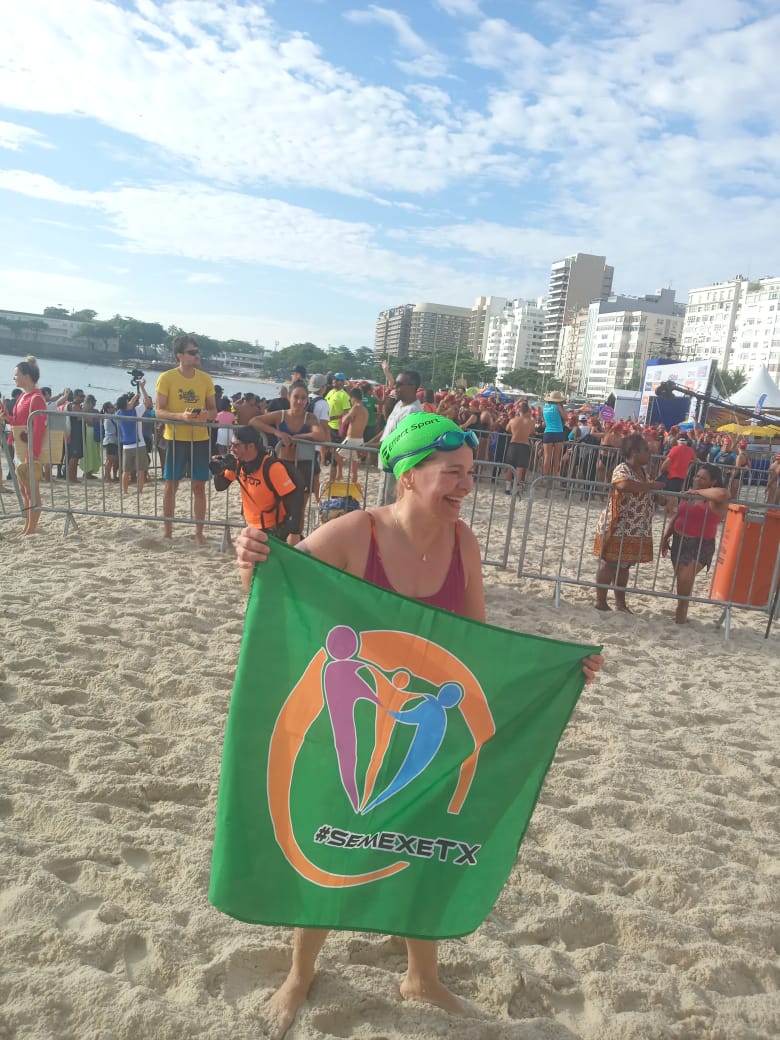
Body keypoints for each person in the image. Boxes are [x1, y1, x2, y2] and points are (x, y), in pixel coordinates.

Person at [233, 411, 604, 1038]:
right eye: (452, 473)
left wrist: (563, 672)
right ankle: (300, 973)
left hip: (427, 724)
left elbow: (479, 645)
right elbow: (276, 590)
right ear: (408, 475)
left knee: (419, 845)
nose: (467, 486)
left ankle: (421, 977)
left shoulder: (463, 544)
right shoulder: (355, 533)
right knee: (334, 835)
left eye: (469, 473)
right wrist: (249, 559)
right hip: (351, 720)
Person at [154, 336, 217, 543]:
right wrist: (181, 417)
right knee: (171, 485)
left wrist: (204, 415)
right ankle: (168, 531)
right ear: (179, 355)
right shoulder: (167, 378)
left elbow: (214, 411)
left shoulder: (205, 379)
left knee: (199, 487)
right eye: (192, 352)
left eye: (197, 352)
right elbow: (158, 411)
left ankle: (199, 533)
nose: (197, 356)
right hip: (175, 438)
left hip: (200, 439)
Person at [593, 434, 665, 612]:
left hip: (634, 529)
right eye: (646, 450)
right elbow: (624, 485)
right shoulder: (622, 468)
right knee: (609, 564)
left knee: (624, 567)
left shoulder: (643, 473)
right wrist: (651, 487)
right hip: (617, 526)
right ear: (634, 452)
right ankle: (601, 601)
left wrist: (659, 496)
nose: (649, 453)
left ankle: (620, 603)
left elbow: (649, 492)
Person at [249, 380, 326, 540]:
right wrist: (277, 433)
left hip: (303, 466)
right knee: (279, 506)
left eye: (303, 398)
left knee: (300, 509)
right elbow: (254, 421)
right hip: (282, 466)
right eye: (296, 397)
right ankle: (280, 540)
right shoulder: (281, 415)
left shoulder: (310, 418)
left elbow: (319, 435)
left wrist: (298, 437)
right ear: (289, 397)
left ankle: (295, 543)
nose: (299, 401)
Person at [662, 464, 729, 624]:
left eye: (703, 478)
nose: (697, 480)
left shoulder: (713, 499)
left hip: (700, 544)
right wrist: (666, 536)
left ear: (713, 481)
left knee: (684, 579)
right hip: (679, 540)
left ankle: (680, 615)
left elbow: (723, 493)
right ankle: (681, 614)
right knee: (682, 580)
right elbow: (678, 515)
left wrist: (697, 492)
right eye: (697, 476)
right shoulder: (689, 495)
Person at [211, 425, 303, 540]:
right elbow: (220, 486)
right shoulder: (238, 463)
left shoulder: (272, 468)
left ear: (250, 446)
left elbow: (294, 500)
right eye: (231, 445)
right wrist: (220, 470)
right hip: (252, 526)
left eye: (236, 445)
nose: (231, 449)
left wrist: (294, 532)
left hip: (275, 528)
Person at [0, 356, 47, 534]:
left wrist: (32, 453)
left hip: (29, 451)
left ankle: (32, 528)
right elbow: (18, 422)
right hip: (19, 448)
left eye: (16, 374)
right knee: (24, 490)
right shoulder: (22, 396)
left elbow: (38, 429)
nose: (14, 377)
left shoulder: (37, 398)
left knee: (31, 491)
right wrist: (6, 416)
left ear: (26, 376)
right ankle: (27, 526)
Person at [365, 370, 422, 504]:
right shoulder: (399, 404)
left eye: (399, 384)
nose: (395, 387)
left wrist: (369, 447)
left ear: (412, 387)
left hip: (396, 463)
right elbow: (388, 428)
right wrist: (370, 442)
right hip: (387, 461)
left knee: (389, 501)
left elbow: (397, 440)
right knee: (382, 499)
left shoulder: (413, 411)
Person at [116, 381, 154, 495]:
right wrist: (142, 388)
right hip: (139, 444)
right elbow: (147, 402)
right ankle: (139, 491)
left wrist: (134, 398)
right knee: (141, 470)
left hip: (126, 446)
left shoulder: (118, 413)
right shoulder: (136, 412)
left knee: (126, 471)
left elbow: (128, 406)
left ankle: (125, 491)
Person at [658, 432, 696, 516]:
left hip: (671, 474)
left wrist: (662, 470)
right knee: (672, 495)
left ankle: (670, 513)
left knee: (669, 495)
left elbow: (667, 461)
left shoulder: (675, 449)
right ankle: (668, 512)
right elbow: (696, 460)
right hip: (681, 476)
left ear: (678, 440)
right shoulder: (690, 450)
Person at [335, 386, 368, 483]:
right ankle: (353, 485)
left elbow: (344, 421)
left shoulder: (355, 407)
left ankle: (339, 474)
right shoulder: (365, 411)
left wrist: (346, 414)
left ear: (353, 398)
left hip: (351, 438)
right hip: (360, 439)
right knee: (354, 468)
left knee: (336, 456)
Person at [541, 391, 568, 477]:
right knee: (556, 457)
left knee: (547, 457)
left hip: (547, 432)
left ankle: (544, 477)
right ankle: (554, 476)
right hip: (558, 432)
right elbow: (566, 417)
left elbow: (544, 423)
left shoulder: (544, 408)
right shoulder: (558, 407)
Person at [100, 401, 120, 482]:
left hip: (113, 440)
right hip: (110, 441)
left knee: (115, 460)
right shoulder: (109, 417)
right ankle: (108, 477)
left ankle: (112, 476)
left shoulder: (109, 416)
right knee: (111, 460)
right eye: (112, 407)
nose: (114, 408)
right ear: (107, 409)